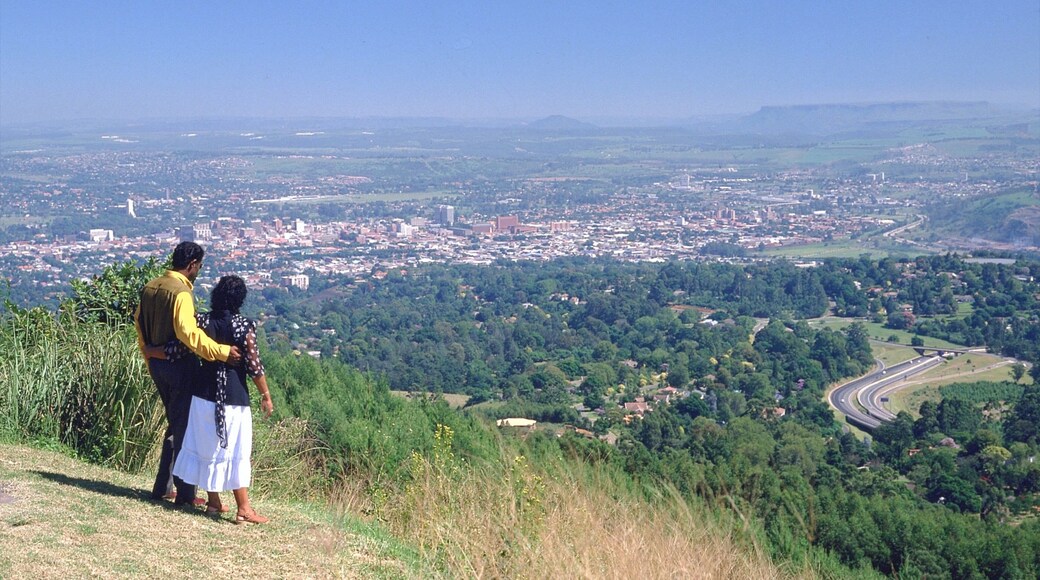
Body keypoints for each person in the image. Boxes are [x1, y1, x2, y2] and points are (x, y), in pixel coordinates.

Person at [148, 275, 273, 524]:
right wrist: (266, 395)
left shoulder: (202, 320)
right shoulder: (243, 325)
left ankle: (213, 503)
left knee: (207, 448)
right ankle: (244, 508)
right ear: (240, 299)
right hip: (234, 397)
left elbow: (179, 347)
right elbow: (254, 365)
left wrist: (151, 351)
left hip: (203, 394)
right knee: (237, 449)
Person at [135, 241, 241, 507]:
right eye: (200, 266)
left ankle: (163, 486)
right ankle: (185, 494)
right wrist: (220, 351)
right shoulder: (181, 292)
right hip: (179, 367)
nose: (199, 271)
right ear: (192, 264)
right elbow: (188, 333)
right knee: (184, 429)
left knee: (175, 422)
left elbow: (138, 323)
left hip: (158, 365)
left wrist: (148, 354)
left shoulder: (151, 287)